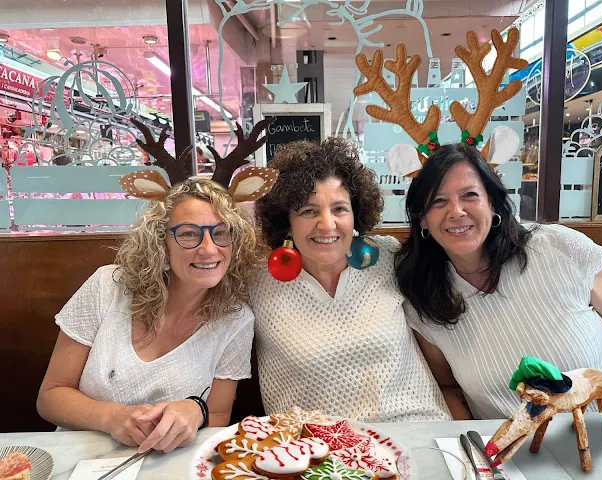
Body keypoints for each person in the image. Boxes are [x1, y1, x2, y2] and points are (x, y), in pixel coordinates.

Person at [395, 143, 602, 420]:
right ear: (422, 219)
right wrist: (474, 450)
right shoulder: (423, 299)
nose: (456, 211)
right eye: (439, 201)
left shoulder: (560, 249)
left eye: (470, 195)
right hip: (521, 456)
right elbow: (449, 387)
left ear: (493, 203)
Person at [37, 178, 263, 452]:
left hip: (167, 463)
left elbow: (216, 417)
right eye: (189, 233)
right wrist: (112, 418)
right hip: (80, 458)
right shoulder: (107, 287)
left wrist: (196, 410)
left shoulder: (237, 320)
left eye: (222, 232)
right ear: (160, 242)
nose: (208, 248)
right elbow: (50, 397)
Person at [251, 137, 455, 423]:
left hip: (416, 430)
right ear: (286, 221)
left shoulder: (389, 258)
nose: (327, 224)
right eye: (308, 211)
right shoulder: (257, 283)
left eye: (339, 209)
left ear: (356, 215)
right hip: (316, 452)